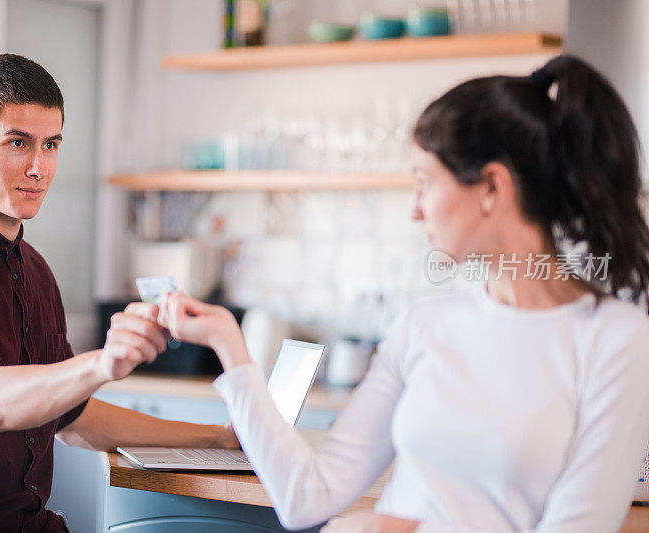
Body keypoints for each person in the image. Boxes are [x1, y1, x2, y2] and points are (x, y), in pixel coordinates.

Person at [156, 54, 649, 532]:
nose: (415, 211)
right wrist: (231, 348)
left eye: (424, 182)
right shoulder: (427, 324)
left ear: (492, 188)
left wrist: (399, 529)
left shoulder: (615, 340)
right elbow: (306, 496)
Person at [0, 54, 237, 532]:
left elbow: (73, 418)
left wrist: (220, 439)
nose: (39, 168)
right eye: (18, 143)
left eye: (51, 144)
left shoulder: (35, 271)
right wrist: (101, 363)